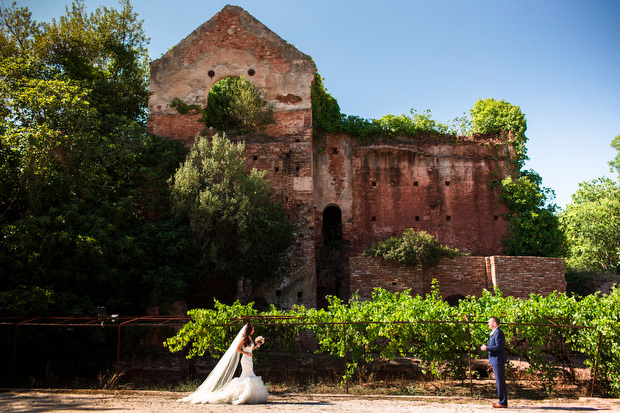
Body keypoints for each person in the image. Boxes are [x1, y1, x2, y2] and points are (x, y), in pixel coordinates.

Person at [178, 323, 269, 404]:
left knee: (248, 376)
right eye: (253, 329)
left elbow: (249, 349)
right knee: (248, 375)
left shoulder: (249, 338)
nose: (254, 330)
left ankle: (247, 395)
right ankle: (245, 395)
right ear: (249, 330)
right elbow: (237, 349)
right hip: (245, 360)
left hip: (249, 359)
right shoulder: (243, 338)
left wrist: (256, 346)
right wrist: (246, 354)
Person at [481, 316, 507, 408]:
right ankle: (502, 400)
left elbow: (498, 347)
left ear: (494, 323)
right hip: (496, 360)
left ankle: (502, 402)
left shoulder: (498, 333)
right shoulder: (495, 333)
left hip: (498, 360)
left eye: (489, 322)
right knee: (499, 381)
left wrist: (486, 348)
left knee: (500, 381)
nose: (488, 324)